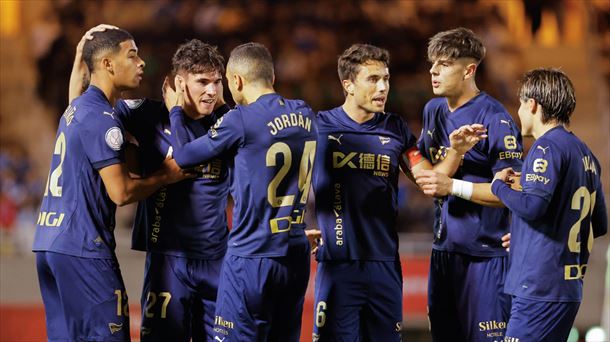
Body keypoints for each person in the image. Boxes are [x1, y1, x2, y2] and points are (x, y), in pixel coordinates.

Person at [310, 43, 486, 342]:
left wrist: (456, 152)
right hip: (339, 266)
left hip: (385, 267)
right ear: (348, 85)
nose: (383, 87)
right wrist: (293, 228)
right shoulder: (319, 126)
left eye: (386, 79)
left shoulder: (395, 128)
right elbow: (285, 176)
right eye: (373, 79)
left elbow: (429, 181)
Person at [70, 38, 231, 341]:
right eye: (202, 82)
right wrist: (83, 61)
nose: (211, 90)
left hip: (217, 260)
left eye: (216, 82)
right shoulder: (145, 114)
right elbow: (84, 113)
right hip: (168, 261)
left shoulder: (228, 123)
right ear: (179, 83)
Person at [33, 26, 188, 341]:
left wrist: (81, 53)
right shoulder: (102, 120)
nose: (141, 63)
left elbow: (77, 91)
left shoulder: (76, 109)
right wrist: (166, 175)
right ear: (106, 64)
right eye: (132, 55)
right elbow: (121, 192)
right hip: (83, 247)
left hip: (48, 243)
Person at [168, 42, 317, 341]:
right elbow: (261, 132)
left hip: (251, 256)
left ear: (235, 81)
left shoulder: (239, 120)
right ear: (272, 78)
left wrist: (175, 109)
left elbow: (183, 156)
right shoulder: (305, 113)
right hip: (294, 254)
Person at [413, 27, 524, 342]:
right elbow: (432, 179)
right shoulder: (433, 110)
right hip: (443, 253)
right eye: (432, 63)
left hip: (485, 257)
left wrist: (453, 187)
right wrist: (454, 154)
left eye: (444, 64)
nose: (433, 70)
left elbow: (512, 191)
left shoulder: (495, 119)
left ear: (469, 70)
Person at [491, 68, 607, 341]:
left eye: (521, 103)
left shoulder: (546, 148)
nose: (518, 111)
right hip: (567, 290)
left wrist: (498, 186)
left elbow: (533, 207)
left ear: (532, 104)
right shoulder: (586, 154)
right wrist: (526, 236)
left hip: (538, 288)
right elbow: (599, 223)